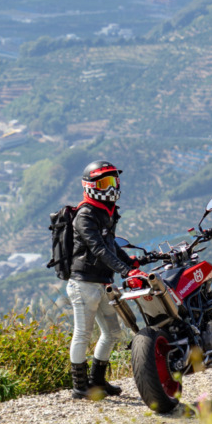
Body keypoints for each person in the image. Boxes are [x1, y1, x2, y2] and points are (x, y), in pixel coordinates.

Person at [67, 160, 143, 399]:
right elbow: (98, 248)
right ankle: (80, 387)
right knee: (82, 333)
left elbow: (110, 244)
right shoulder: (85, 215)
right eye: (105, 182)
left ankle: (97, 381)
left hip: (102, 283)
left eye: (114, 181)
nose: (111, 187)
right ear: (90, 185)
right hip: (83, 284)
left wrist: (130, 264)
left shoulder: (106, 212)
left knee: (113, 332)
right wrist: (125, 270)